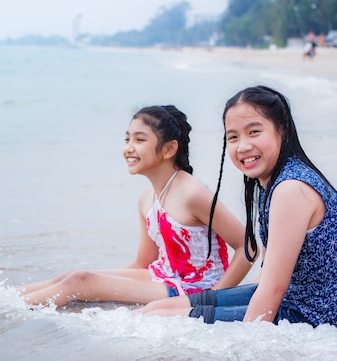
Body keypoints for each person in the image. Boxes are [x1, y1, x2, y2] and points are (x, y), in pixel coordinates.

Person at [137, 86, 337, 330]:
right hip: (299, 300)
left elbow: (272, 290)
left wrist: (245, 348)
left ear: (283, 130)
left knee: (159, 319)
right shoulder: (277, 181)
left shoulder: (291, 189)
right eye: (233, 137)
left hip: (320, 317)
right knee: (158, 307)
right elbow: (268, 276)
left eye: (254, 132)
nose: (243, 146)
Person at [18, 105, 253, 307]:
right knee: (72, 277)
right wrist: (107, 285)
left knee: (80, 281)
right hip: (161, 276)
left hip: (194, 288)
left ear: (169, 149)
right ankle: (6, 299)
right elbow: (144, 261)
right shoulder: (146, 197)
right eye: (127, 138)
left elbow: (248, 247)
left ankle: (5, 312)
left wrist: (212, 298)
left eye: (139, 140)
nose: (129, 147)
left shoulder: (192, 194)